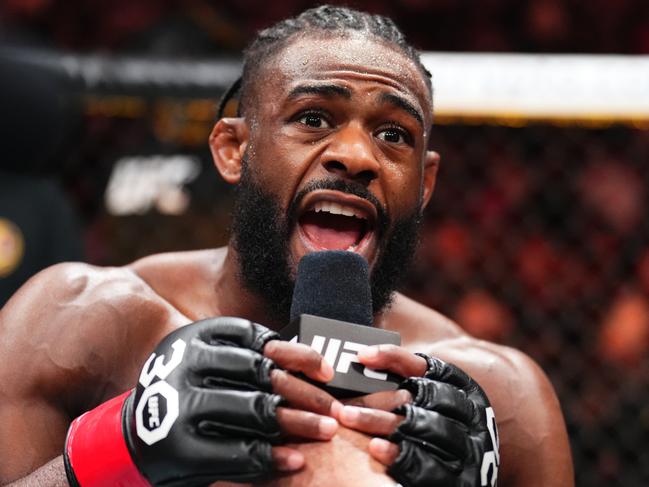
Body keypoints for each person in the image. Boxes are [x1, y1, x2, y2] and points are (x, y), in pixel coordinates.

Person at [0, 6, 573, 487]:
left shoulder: (498, 395)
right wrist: (120, 442)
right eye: (314, 117)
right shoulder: (79, 321)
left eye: (393, 134)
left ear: (424, 184)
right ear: (232, 150)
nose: (356, 155)